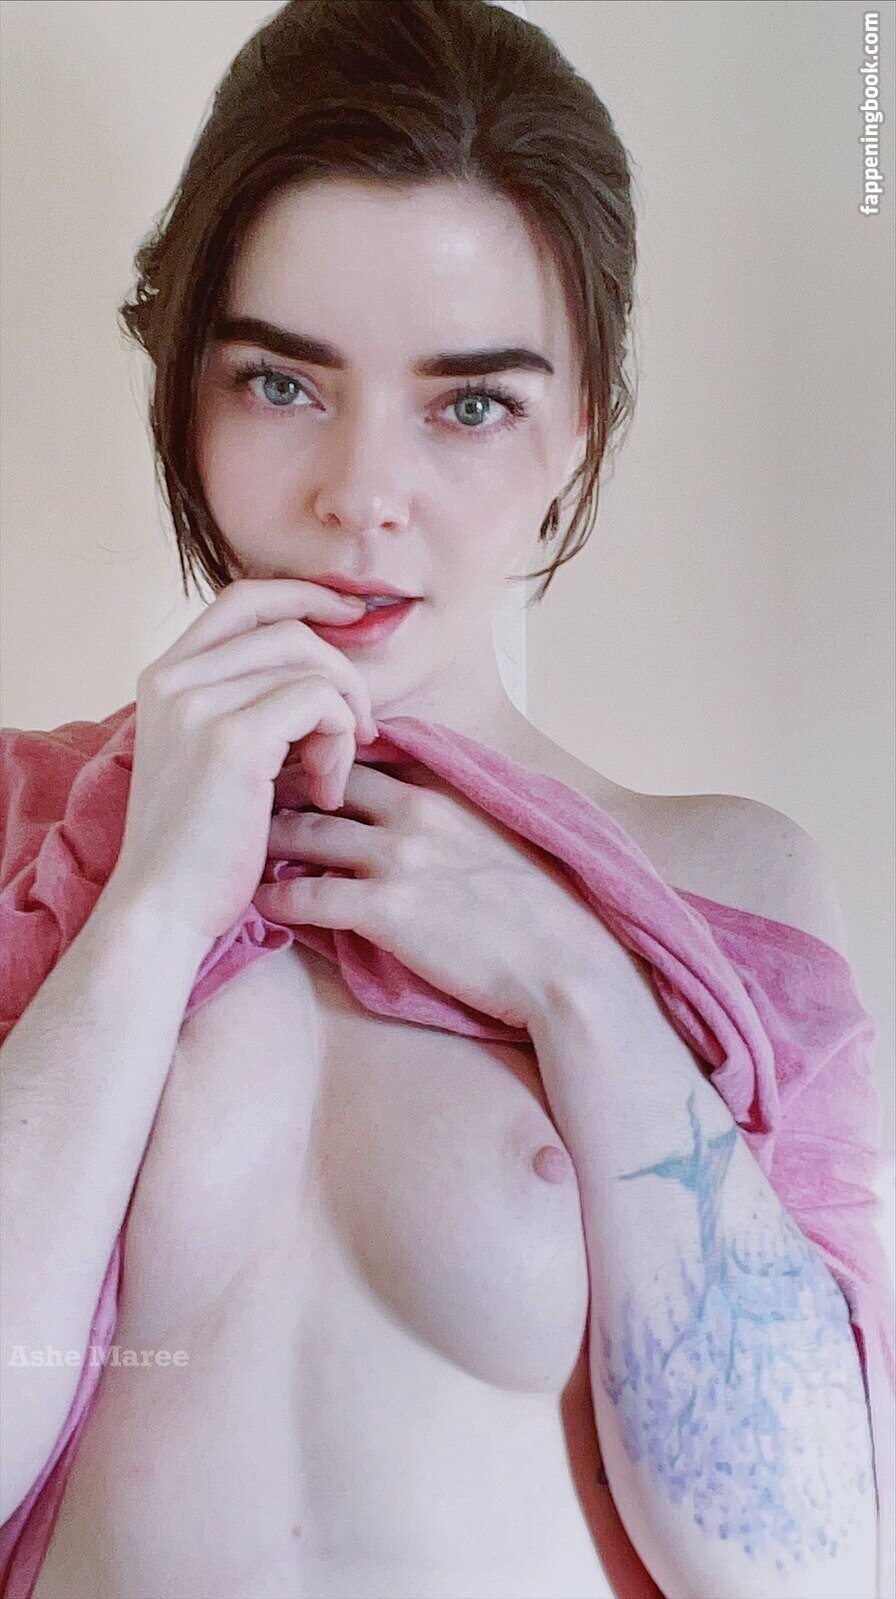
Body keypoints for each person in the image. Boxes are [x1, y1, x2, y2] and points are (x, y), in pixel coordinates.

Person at [0, 3, 891, 1598]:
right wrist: (146, 908)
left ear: (578, 429)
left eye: (469, 403)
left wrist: (577, 984)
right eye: (282, 383)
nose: (364, 494)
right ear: (186, 385)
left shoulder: (726, 882)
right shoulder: (29, 827)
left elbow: (806, 1571)